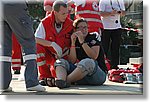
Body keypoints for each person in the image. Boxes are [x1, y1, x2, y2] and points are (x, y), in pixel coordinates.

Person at [0, 1, 46, 92]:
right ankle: (32, 82)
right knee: (28, 43)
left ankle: (3, 83)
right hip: (15, 7)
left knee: (4, 47)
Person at [54, 18, 107, 89]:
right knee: (60, 61)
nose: (83, 29)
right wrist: (73, 43)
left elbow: (94, 56)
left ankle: (66, 81)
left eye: (85, 27)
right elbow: (72, 61)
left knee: (88, 61)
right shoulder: (74, 40)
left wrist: (82, 41)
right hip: (81, 74)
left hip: (97, 75)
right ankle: (61, 80)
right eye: (80, 28)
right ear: (75, 30)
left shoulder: (94, 36)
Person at [35, 0, 73, 86]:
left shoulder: (70, 24)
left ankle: (56, 77)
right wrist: (52, 44)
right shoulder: (45, 22)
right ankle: (44, 76)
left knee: (58, 75)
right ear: (55, 12)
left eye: (67, 13)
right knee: (37, 47)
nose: (66, 16)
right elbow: (36, 39)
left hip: (64, 57)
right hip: (50, 55)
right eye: (63, 13)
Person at [99, 0, 126, 69]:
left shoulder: (120, 1)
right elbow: (101, 13)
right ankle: (103, 66)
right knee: (104, 48)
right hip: (105, 27)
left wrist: (120, 12)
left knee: (116, 48)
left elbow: (124, 13)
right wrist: (111, 13)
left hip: (117, 27)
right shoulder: (103, 1)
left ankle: (115, 66)